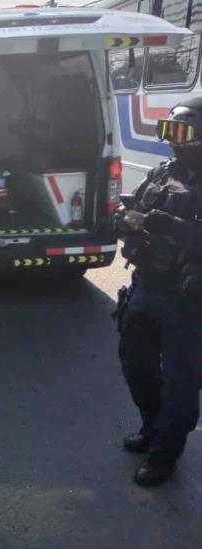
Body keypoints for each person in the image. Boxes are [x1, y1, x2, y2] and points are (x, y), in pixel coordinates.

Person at [114, 95, 202, 487]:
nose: (172, 140)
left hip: (188, 301)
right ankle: (151, 428)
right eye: (167, 129)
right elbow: (137, 208)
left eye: (181, 131)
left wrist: (171, 226)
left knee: (181, 383)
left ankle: (166, 453)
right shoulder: (164, 172)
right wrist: (125, 218)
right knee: (136, 366)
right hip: (146, 287)